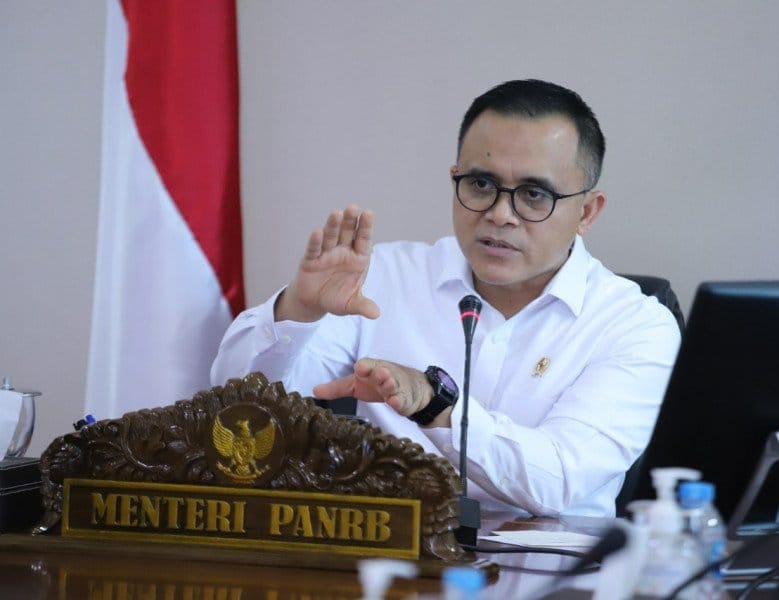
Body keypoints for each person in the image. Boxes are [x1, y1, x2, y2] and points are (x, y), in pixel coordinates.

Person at [211, 79, 680, 517]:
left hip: (548, 569)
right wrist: (299, 311)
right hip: (390, 558)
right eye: (481, 184)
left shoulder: (636, 325)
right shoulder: (381, 278)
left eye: (534, 194)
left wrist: (436, 405)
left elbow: (562, 477)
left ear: (587, 212)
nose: (500, 214)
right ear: (455, 179)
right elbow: (236, 406)